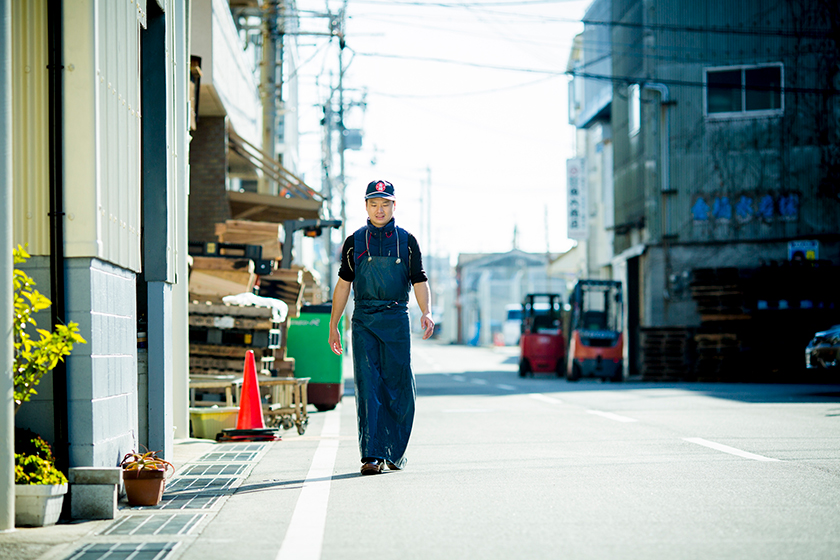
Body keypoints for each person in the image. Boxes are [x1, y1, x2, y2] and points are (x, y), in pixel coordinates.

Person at [328, 179, 434, 475]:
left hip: (397, 318)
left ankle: (394, 452)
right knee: (368, 386)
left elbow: (420, 281)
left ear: (393, 206)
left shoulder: (407, 241)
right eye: (373, 203)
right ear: (366, 206)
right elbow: (343, 285)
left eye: (384, 203)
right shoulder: (354, 242)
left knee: (398, 387)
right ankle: (371, 455)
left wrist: (427, 312)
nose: (379, 209)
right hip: (363, 321)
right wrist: (333, 324)